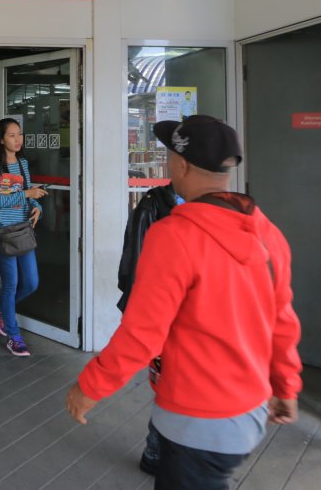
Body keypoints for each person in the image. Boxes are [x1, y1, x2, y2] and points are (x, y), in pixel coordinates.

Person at [65, 115, 302, 490]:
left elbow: (143, 334)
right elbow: (283, 322)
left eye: (170, 155)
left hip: (195, 420)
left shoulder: (173, 237)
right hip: (250, 413)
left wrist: (91, 386)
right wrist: (286, 386)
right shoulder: (268, 234)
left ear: (182, 164)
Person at [117, 179, 181, 476]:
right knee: (169, 384)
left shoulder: (223, 206)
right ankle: (155, 451)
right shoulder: (153, 205)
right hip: (166, 317)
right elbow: (136, 258)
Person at [0, 117, 48, 357]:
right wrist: (26, 194)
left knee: (30, 282)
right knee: (10, 284)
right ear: (1, 139)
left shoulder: (22, 164)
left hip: (22, 231)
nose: (17, 139)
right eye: (11, 135)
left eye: (19, 134)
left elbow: (29, 194)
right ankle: (14, 336)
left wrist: (36, 206)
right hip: (0, 233)